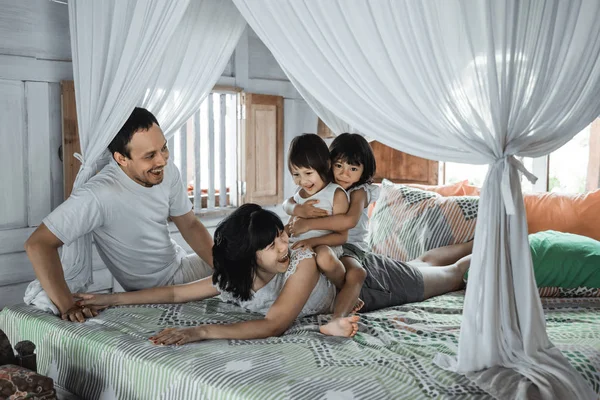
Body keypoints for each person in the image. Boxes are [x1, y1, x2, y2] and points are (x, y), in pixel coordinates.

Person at [74, 204, 472, 345]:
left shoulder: (299, 263)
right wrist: (107, 298)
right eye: (272, 245)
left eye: (281, 235)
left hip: (375, 282)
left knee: (452, 275)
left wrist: (202, 331)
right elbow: (177, 295)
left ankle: (496, 244)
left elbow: (273, 325)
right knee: (426, 261)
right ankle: (477, 240)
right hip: (354, 268)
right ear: (247, 257)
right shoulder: (232, 275)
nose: (284, 246)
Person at [24, 107, 213, 323]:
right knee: (252, 264)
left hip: (181, 267)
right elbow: (37, 244)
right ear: (121, 158)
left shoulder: (167, 171)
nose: (161, 160)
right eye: (150, 155)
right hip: (161, 287)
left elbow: (189, 224)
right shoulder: (99, 194)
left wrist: (224, 267)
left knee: (248, 258)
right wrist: (66, 304)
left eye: (164, 148)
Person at [284, 133, 378, 314]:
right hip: (323, 241)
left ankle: (339, 316)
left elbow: (349, 221)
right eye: (339, 165)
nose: (344, 173)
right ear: (328, 164)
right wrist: (297, 210)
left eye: (353, 168)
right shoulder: (318, 185)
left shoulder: (359, 192)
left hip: (350, 245)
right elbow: (288, 202)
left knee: (356, 273)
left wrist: (308, 225)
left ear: (364, 170)